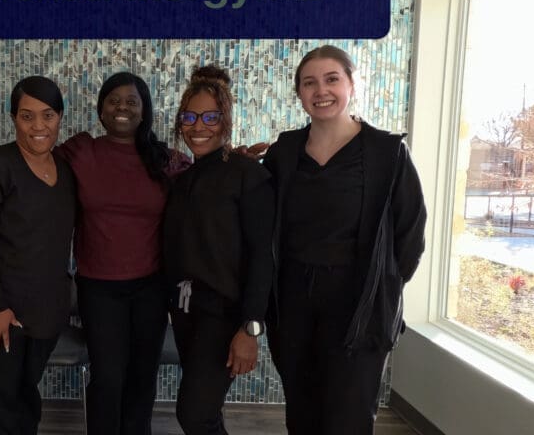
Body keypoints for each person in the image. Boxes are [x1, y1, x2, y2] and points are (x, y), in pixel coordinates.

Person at [263, 45, 426, 434]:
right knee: (302, 411)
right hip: (293, 303)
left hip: (359, 304)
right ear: (299, 93)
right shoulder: (284, 152)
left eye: (332, 79)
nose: (321, 90)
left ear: (352, 84)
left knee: (349, 415)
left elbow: (410, 235)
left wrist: (383, 288)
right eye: (310, 82)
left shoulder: (387, 152)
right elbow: (261, 220)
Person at [57, 72, 189, 435]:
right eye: (114, 100)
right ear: (101, 110)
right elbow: (29, 162)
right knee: (108, 378)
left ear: (144, 110)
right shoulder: (82, 151)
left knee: (141, 377)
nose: (122, 108)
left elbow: (208, 182)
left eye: (132, 101)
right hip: (98, 288)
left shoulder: (167, 160)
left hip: (151, 286)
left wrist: (233, 158)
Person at [0, 76, 77, 435]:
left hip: (42, 316)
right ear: (13, 118)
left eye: (48, 115)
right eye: (27, 116)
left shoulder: (67, 171)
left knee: (25, 402)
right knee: (3, 412)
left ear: (60, 118)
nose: (38, 126)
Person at [162, 65, 275, 435]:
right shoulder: (183, 180)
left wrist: (251, 328)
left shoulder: (249, 176)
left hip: (225, 319)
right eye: (190, 117)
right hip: (186, 314)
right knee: (206, 412)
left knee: (193, 414)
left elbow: (263, 256)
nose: (199, 127)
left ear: (225, 119)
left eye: (210, 117)